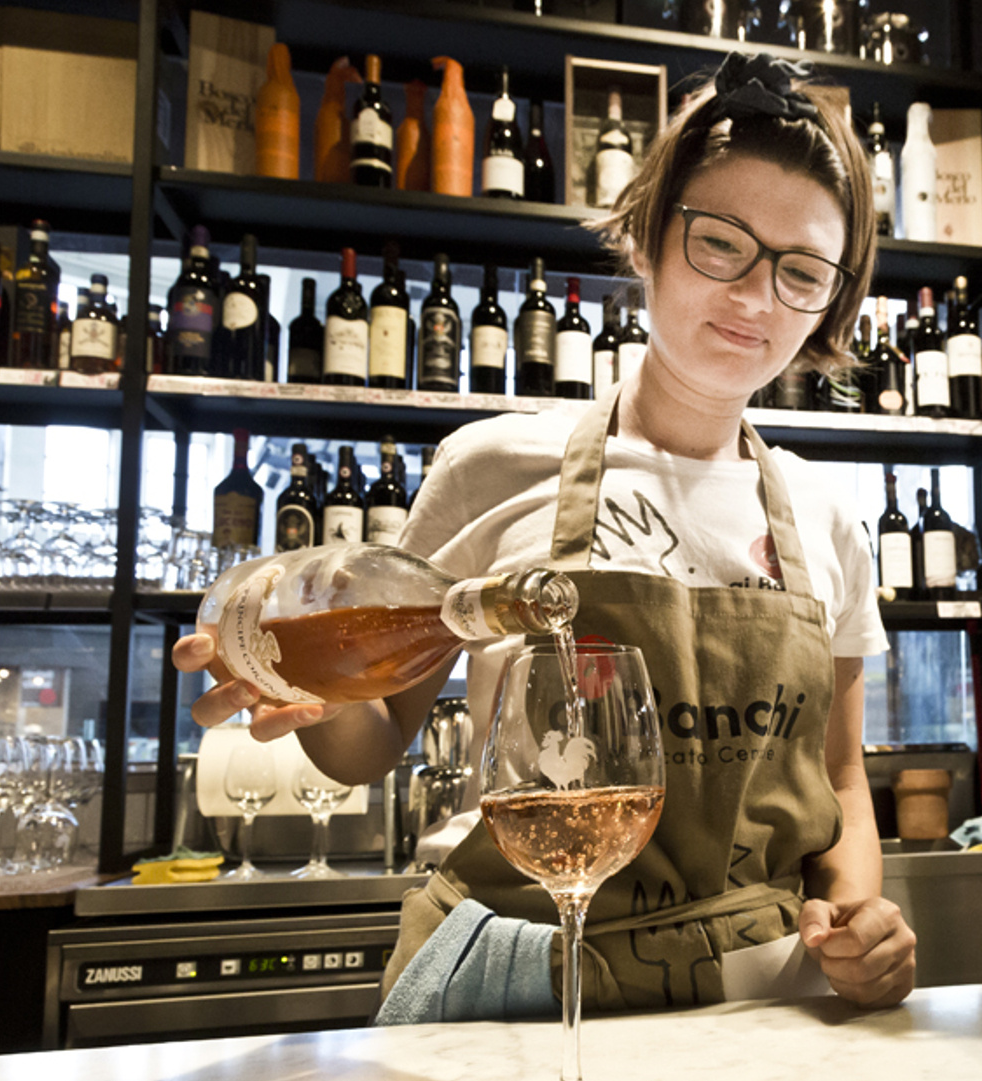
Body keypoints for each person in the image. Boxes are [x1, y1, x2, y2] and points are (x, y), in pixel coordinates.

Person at [173, 52, 917, 1016]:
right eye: (720, 243)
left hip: (748, 992)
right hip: (513, 983)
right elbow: (373, 742)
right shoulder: (493, 466)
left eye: (802, 270)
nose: (755, 297)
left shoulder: (826, 517)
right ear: (649, 239)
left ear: (833, 298)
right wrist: (322, 697)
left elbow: (840, 777)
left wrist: (860, 921)